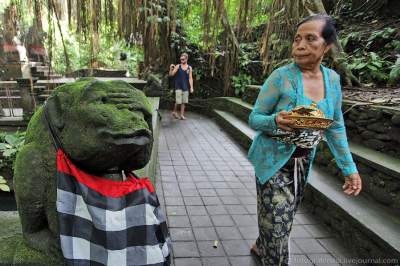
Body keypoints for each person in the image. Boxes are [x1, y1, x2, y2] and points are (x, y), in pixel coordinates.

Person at [247, 14, 362, 265]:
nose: (300, 45)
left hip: (302, 163)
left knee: (282, 219)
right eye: (297, 39)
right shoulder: (281, 77)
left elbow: (335, 126)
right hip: (272, 162)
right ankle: (271, 252)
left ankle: (261, 243)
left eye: (310, 39)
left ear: (327, 45)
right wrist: (275, 120)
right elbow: (255, 118)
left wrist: (349, 169)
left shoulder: (332, 80)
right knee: (278, 226)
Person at [169, 53, 194, 120]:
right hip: (178, 86)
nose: (181, 60)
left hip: (186, 87)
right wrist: (171, 69)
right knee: (178, 101)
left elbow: (190, 78)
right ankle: (174, 111)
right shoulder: (178, 66)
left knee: (184, 102)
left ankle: (182, 115)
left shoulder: (189, 68)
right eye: (181, 59)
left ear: (186, 59)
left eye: (183, 59)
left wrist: (191, 87)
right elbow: (171, 75)